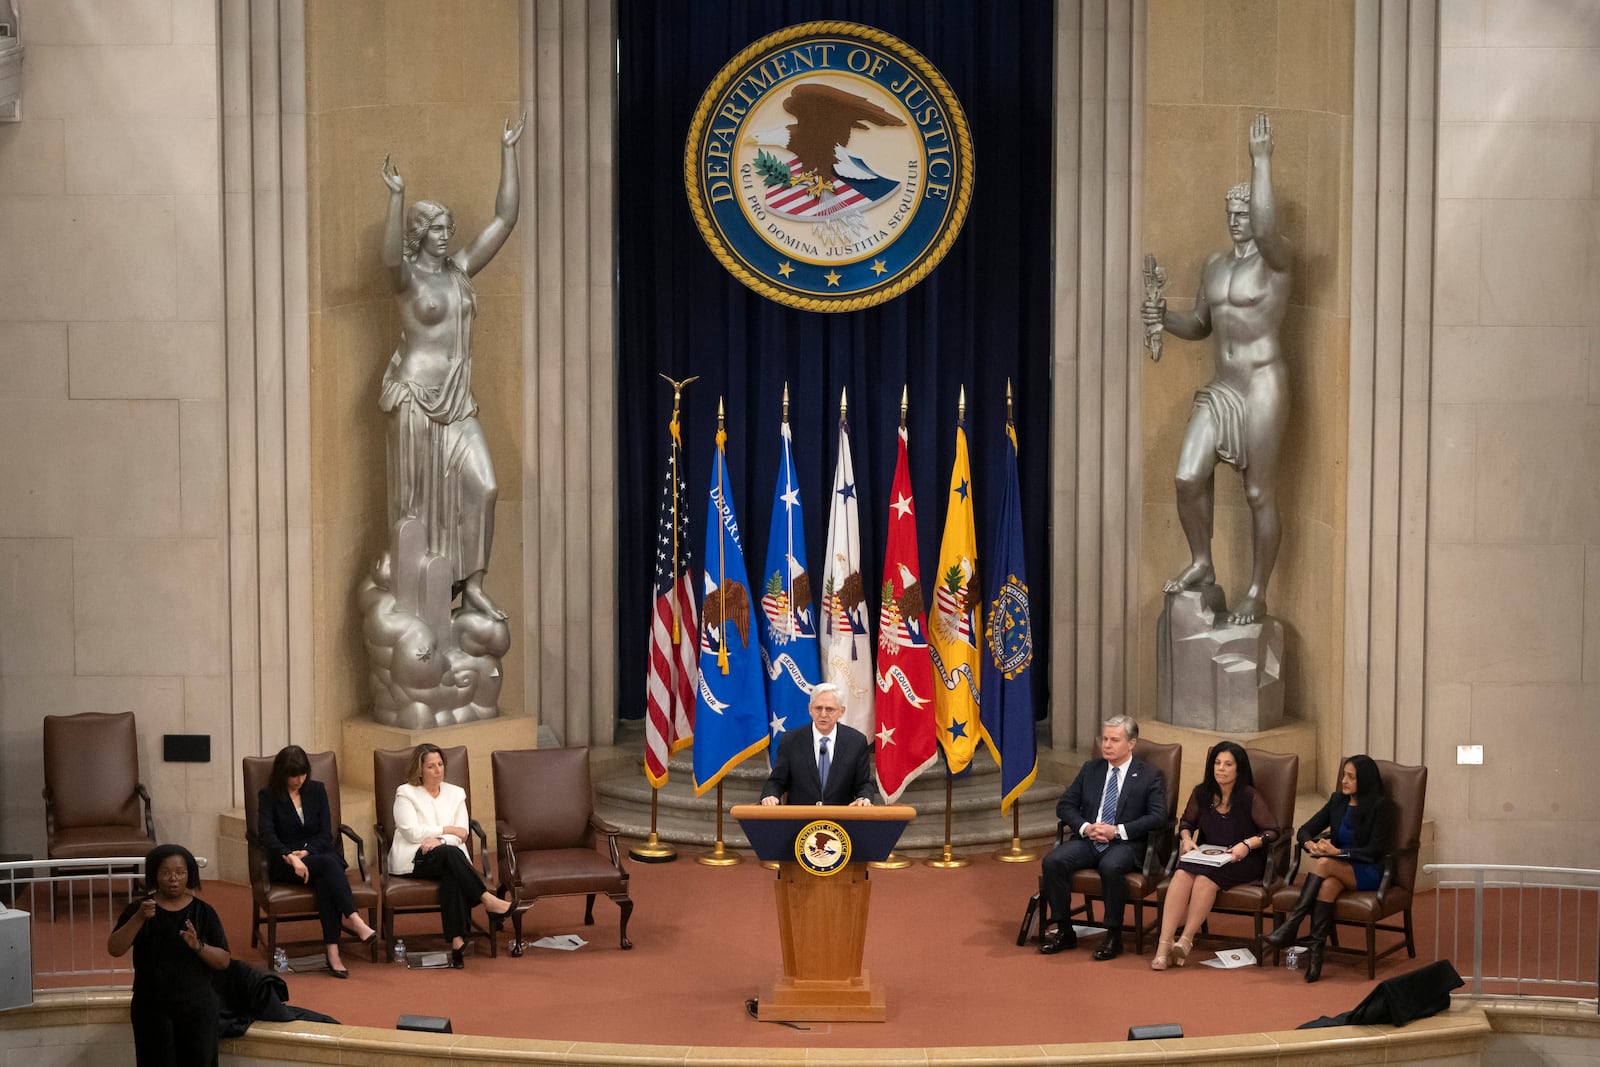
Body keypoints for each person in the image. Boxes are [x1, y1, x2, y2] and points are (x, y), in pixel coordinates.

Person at [1142, 112, 1292, 625]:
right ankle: (1203, 562)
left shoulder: (1277, 260)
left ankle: (1256, 590)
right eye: (1231, 211)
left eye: (1245, 210)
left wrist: (1262, 161)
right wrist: (1165, 316)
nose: (1236, 219)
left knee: (1257, 494)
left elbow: (1271, 229)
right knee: (1186, 477)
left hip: (1263, 386)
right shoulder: (1214, 265)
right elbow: (1201, 325)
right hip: (1224, 388)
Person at [378, 116, 524, 621]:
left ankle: (475, 583)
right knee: (416, 510)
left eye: (448, 228)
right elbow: (389, 257)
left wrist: (509, 151)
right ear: (419, 233)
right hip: (416, 400)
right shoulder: (408, 282)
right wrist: (397, 196)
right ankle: (420, 598)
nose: (445, 236)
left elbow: (505, 220)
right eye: (436, 229)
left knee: (485, 486)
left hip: (458, 404)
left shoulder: (460, 271)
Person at [1038, 716, 1167, 961]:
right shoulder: (1091, 769)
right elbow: (1065, 805)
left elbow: (1159, 817)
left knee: (1111, 866)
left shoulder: (1149, 775)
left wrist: (1117, 830)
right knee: (1053, 861)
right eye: (1105, 739)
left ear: (1131, 743)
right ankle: (1064, 930)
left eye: (1114, 740)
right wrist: (1086, 827)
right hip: (1089, 840)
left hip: (1126, 843)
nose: (1107, 745)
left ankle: (1112, 935)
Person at [1262, 753, 1393, 982]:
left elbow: (1374, 851)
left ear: (1365, 780)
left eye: (1351, 777)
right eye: (1344, 775)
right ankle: (1316, 955)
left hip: (1368, 871)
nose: (1344, 781)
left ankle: (1292, 925)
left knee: (1324, 864)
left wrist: (1337, 853)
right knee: (1327, 888)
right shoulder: (1337, 800)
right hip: (1338, 868)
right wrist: (1310, 843)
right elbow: (1305, 829)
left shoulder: (1380, 806)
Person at [1151, 741, 1280, 970]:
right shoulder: (1201, 793)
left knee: (1204, 879)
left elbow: (1272, 831)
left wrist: (1247, 845)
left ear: (1238, 769)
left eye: (1228, 764)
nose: (1221, 768)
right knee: (1181, 874)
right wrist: (1187, 839)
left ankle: (1186, 939)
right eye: (1217, 763)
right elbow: (1187, 823)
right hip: (1206, 856)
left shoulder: (1249, 796)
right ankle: (1163, 945)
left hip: (1242, 859)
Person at [388, 743, 515, 967]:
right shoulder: (405, 793)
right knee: (451, 855)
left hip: (446, 855)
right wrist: (446, 831)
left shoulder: (456, 794)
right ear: (419, 770)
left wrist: (440, 840)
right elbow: (411, 831)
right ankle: (487, 899)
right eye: (431, 766)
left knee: (452, 871)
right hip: (414, 858)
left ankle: (457, 943)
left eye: (440, 764)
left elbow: (463, 832)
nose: (438, 770)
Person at [256, 745, 377, 978]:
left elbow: (325, 834)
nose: (300, 780)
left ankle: (332, 952)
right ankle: (354, 920)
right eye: (294, 775)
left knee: (325, 878)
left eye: (303, 774)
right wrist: (291, 857)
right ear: (282, 773)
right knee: (329, 866)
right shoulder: (268, 795)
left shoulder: (317, 790)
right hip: (285, 864)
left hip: (315, 856)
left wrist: (307, 853)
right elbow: (267, 835)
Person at [108, 844, 231, 1067]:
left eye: (180, 873)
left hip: (197, 1007)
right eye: (166, 873)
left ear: (189, 875)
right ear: (155, 875)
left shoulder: (203, 912)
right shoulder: (141, 909)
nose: (173, 879)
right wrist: (138, 918)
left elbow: (223, 961)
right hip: (152, 1007)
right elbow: (115, 948)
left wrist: (199, 946)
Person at [760, 683, 874, 806]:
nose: (823, 714)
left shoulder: (856, 741)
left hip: (840, 820)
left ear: (841, 711)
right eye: (818, 708)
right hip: (800, 819)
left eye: (829, 709)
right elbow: (777, 781)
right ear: (810, 708)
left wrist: (864, 798)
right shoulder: (791, 740)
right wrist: (770, 795)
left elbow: (863, 783)